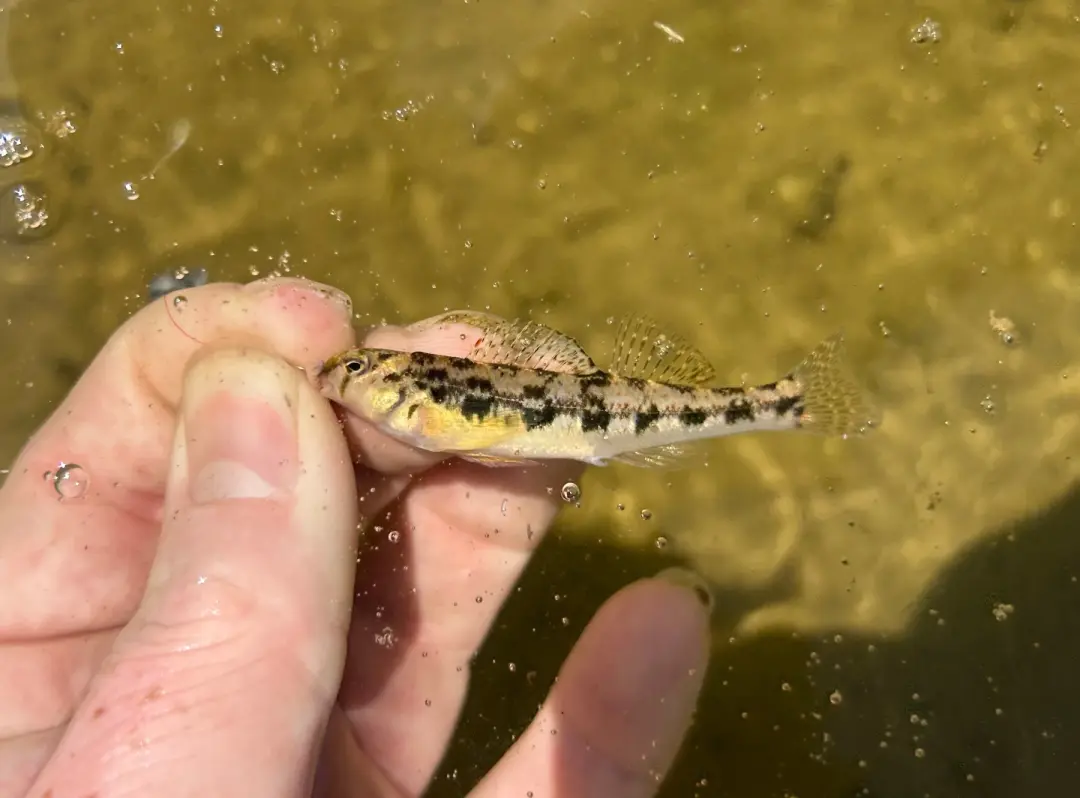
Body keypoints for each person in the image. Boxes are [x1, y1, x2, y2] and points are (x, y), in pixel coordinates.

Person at [0, 276, 712, 797]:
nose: (341, 375)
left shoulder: (422, 397)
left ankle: (766, 405)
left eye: (359, 371)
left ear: (402, 390)